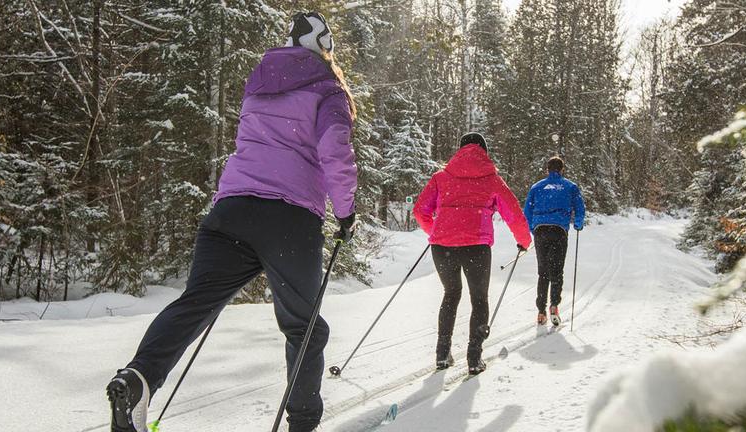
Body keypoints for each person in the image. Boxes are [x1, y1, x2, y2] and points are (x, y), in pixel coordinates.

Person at [105, 12, 357, 432]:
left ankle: (139, 378)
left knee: (195, 304)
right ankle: (303, 423)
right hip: (289, 219)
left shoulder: (260, 82)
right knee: (304, 327)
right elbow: (335, 151)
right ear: (324, 47)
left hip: (231, 211)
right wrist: (346, 211)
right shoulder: (327, 88)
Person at [413, 133, 533, 376]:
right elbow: (513, 213)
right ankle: (474, 358)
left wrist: (436, 231)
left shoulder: (441, 177)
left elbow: (419, 211)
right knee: (479, 298)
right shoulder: (492, 179)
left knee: (451, 294)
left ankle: (442, 354)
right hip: (476, 246)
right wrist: (524, 240)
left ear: (460, 150)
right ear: (484, 151)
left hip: (442, 246)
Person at [522, 156, 586, 326]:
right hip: (559, 231)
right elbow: (579, 207)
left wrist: (532, 229)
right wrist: (578, 223)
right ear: (562, 169)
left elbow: (527, 210)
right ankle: (554, 305)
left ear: (547, 170)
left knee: (543, 272)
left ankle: (541, 311)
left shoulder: (537, 187)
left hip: (541, 230)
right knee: (557, 271)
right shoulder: (570, 186)